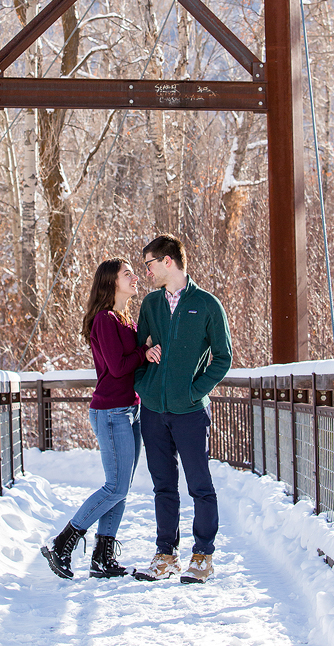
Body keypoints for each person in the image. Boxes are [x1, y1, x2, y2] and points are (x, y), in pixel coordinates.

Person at [41, 257, 160, 580]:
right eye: (127, 274)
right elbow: (118, 367)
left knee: (122, 487)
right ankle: (63, 542)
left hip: (129, 409)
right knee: (115, 486)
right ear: (111, 282)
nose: (135, 277)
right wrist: (144, 352)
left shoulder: (124, 319)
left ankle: (102, 556)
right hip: (111, 411)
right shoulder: (105, 320)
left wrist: (144, 352)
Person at [132, 234, 232, 585]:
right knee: (163, 486)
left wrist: (195, 391)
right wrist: (143, 376)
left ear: (168, 261)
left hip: (190, 411)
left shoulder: (206, 305)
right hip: (154, 410)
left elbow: (223, 357)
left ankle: (203, 555)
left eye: (149, 264)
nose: (146, 271)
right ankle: (166, 554)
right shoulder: (150, 305)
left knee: (199, 485)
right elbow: (137, 350)